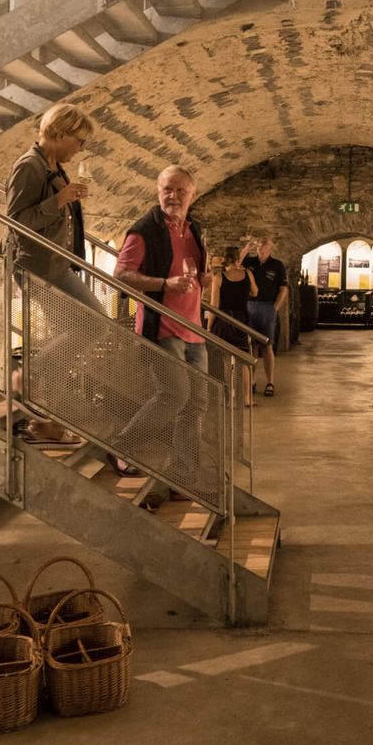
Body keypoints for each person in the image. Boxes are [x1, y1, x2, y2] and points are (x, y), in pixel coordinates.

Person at [110, 166, 212, 500]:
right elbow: (121, 275)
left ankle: (183, 477)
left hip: (193, 329)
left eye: (181, 191)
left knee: (195, 403)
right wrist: (163, 284)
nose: (173, 196)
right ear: (157, 190)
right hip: (163, 328)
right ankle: (121, 446)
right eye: (168, 189)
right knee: (175, 395)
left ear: (192, 195)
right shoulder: (143, 231)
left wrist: (204, 280)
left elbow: (194, 272)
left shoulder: (192, 229)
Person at [4, 102, 100, 444]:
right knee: (94, 323)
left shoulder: (53, 164)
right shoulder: (28, 167)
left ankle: (51, 423)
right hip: (38, 268)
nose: (81, 147)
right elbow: (15, 222)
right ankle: (31, 371)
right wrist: (57, 202)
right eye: (79, 139)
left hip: (57, 264)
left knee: (70, 342)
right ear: (58, 133)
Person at [209, 245, 256, 407]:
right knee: (243, 361)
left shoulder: (219, 277)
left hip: (224, 320)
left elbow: (214, 306)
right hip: (242, 320)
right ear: (237, 259)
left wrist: (209, 326)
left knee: (227, 362)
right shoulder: (248, 274)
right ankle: (247, 398)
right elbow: (255, 293)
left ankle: (232, 400)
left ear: (223, 259)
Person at [241, 236, 289, 396]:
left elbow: (283, 289)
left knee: (267, 345)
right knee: (250, 345)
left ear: (270, 248)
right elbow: (234, 265)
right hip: (249, 305)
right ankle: (252, 381)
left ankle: (270, 382)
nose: (261, 247)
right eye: (260, 244)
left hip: (267, 306)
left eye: (265, 244)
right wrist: (246, 248)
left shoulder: (277, 265)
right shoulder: (250, 262)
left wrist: (274, 308)